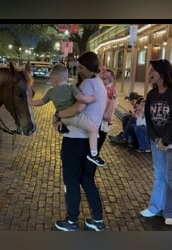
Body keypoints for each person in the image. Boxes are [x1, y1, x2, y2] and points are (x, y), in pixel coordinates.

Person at [53, 51, 107, 231]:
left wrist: (59, 114)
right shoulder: (100, 84)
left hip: (75, 139)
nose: (80, 71)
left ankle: (71, 220)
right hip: (90, 140)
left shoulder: (88, 84)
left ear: (90, 67)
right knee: (87, 179)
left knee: (71, 181)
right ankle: (97, 219)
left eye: (82, 67)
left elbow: (77, 107)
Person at [140, 59, 172, 226]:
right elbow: (149, 119)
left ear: (162, 72)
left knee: (170, 176)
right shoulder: (151, 94)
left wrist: (166, 140)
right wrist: (156, 139)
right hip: (158, 141)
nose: (149, 73)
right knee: (159, 175)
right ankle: (155, 207)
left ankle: (170, 212)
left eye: (152, 70)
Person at [30, 63, 105, 167]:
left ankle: (61, 127)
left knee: (61, 122)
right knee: (93, 129)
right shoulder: (71, 88)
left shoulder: (50, 92)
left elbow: (40, 102)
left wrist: (29, 102)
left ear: (54, 79)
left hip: (64, 119)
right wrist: (92, 99)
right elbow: (81, 99)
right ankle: (93, 154)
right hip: (74, 117)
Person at [98, 68, 118, 149]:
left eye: (106, 76)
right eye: (103, 75)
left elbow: (114, 105)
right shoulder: (99, 87)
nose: (103, 78)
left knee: (99, 141)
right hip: (97, 119)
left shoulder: (112, 90)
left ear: (111, 78)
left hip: (103, 120)